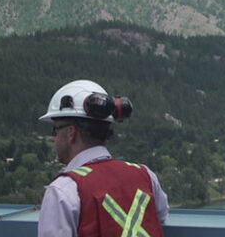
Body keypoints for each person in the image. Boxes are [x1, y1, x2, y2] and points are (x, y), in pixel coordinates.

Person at [38, 80, 169, 237]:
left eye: (55, 130)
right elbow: (160, 217)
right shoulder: (145, 175)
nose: (54, 139)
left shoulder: (63, 190)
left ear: (71, 132)